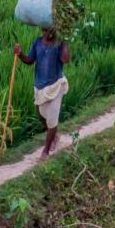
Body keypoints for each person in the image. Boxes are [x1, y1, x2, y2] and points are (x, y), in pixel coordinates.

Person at [13, 27, 71, 158]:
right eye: (44, 30)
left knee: (52, 119)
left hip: (55, 86)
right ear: (41, 30)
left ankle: (46, 150)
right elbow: (30, 60)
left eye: (50, 31)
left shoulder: (59, 44)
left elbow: (66, 60)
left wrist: (65, 41)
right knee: (40, 114)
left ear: (55, 30)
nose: (47, 33)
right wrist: (20, 54)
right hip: (40, 86)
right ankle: (54, 135)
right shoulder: (37, 42)